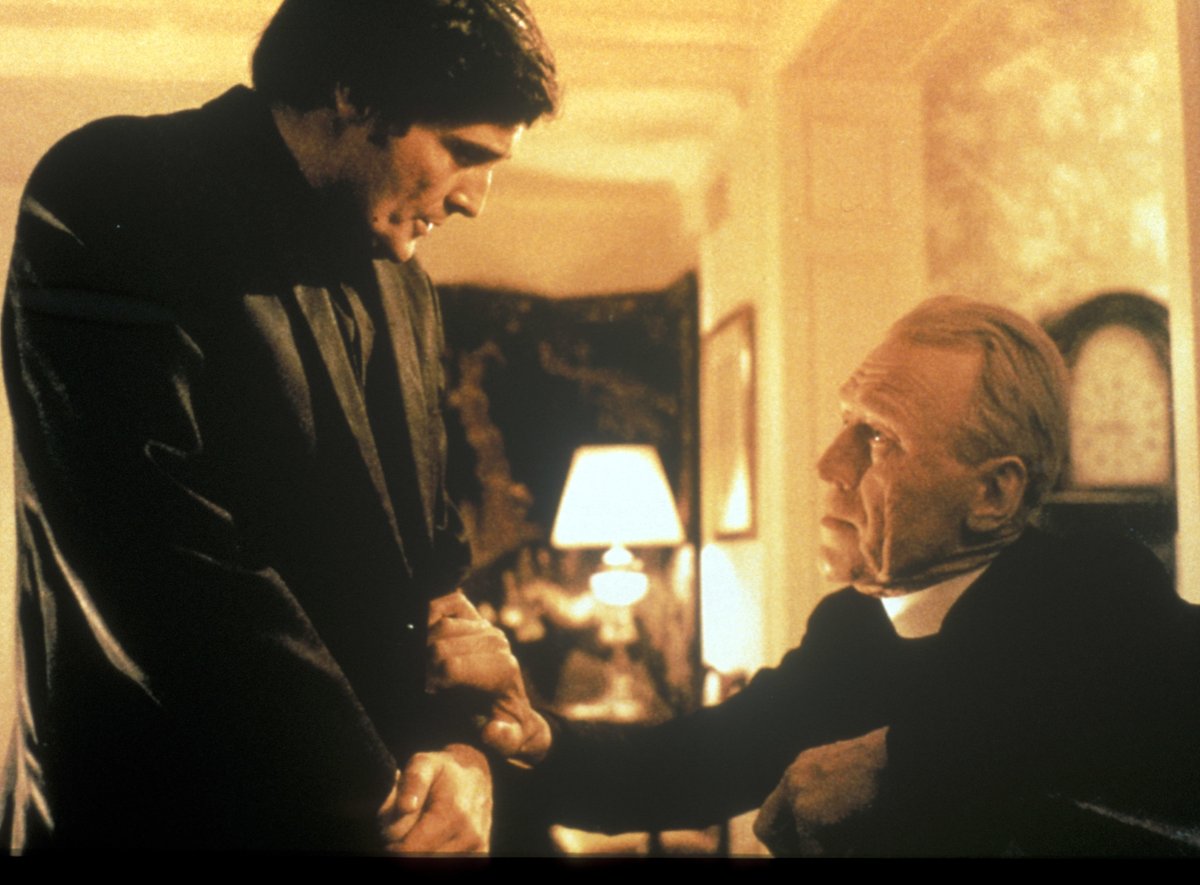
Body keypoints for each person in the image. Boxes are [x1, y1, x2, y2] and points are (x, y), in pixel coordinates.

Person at [1, 0, 557, 853]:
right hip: (162, 826)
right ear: (353, 93)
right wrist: (392, 797)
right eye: (463, 152)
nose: (475, 200)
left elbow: (434, 580)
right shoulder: (115, 186)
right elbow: (157, 553)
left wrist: (463, 751)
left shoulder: (408, 290)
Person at [435, 296, 1200, 856]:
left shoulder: (1097, 588)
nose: (829, 463)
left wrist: (903, 759)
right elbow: (695, 763)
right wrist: (536, 735)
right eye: (846, 421)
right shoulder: (850, 628)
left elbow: (1114, 711)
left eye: (881, 438)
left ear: (994, 494)